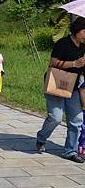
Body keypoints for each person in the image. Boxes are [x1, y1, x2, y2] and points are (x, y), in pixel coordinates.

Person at [36, 17, 85, 163]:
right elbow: (53, 63)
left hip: (74, 86)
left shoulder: (84, 47)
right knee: (56, 117)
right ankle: (41, 137)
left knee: (77, 119)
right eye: (84, 31)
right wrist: (74, 63)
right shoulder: (62, 43)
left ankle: (70, 151)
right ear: (77, 31)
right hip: (56, 83)